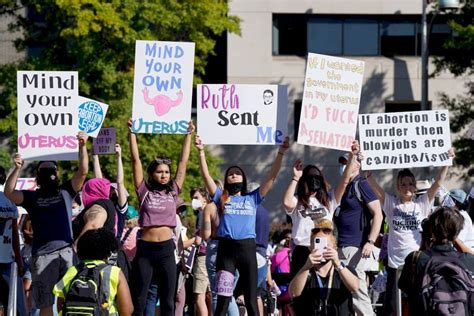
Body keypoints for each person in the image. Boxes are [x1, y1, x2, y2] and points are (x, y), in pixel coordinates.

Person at [195, 135, 289, 316]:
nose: (234, 174)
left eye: (237, 172)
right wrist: (200, 152)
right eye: (230, 173)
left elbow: (271, 177)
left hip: (247, 251)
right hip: (226, 252)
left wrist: (281, 153)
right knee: (222, 301)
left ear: (243, 179)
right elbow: (206, 176)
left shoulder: (252, 198)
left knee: (251, 300)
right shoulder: (222, 197)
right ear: (226, 179)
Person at [4, 132, 89, 316]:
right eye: (45, 170)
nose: (49, 173)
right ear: (38, 175)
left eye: (52, 169)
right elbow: (9, 193)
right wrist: (17, 168)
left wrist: (82, 146)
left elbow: (83, 172)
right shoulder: (32, 197)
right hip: (42, 256)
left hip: (66, 252)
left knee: (72, 299)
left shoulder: (66, 190)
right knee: (46, 304)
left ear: (57, 174)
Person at [365, 148, 454, 316]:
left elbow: (437, 183)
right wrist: (367, 171)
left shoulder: (422, 204)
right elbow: (375, 186)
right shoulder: (391, 203)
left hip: (416, 263)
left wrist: (446, 163)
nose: (407, 187)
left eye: (410, 184)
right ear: (397, 187)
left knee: (417, 304)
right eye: (403, 184)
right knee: (392, 306)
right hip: (394, 263)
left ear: (415, 187)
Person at [128, 119, 194, 316]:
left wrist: (188, 135)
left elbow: (183, 163)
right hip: (145, 251)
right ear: (152, 173)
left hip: (167, 250)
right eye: (159, 172)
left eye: (167, 172)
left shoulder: (173, 191)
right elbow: (135, 160)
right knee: (139, 299)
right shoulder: (143, 191)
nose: (164, 175)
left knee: (168, 300)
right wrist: (132, 133)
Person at [333, 142, 383, 316]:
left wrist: (370, 241)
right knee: (346, 299)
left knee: (359, 295)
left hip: (354, 248)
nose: (344, 166)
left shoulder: (361, 183)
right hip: (342, 248)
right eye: (342, 163)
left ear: (358, 164)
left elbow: (378, 213)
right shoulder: (344, 188)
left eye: (347, 162)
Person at [398, 206, 474, 315]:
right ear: (457, 232)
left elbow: (404, 286)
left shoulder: (416, 258)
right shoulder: (468, 260)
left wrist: (424, 243)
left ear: (431, 229)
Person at [282, 157, 345, 278]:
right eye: (310, 177)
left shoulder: (329, 200)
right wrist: (295, 178)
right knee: (299, 289)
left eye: (317, 177)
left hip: (323, 249)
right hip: (302, 249)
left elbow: (344, 182)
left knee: (321, 286)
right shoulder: (298, 200)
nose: (314, 180)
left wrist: (352, 158)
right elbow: (286, 202)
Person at [53, 228, 133, 316]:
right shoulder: (114, 272)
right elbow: (127, 310)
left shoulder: (72, 270)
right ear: (108, 251)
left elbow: (60, 303)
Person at [289, 219, 359, 315]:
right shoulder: (305, 272)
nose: (323, 249)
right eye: (318, 245)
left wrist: (338, 264)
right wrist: (306, 267)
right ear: (310, 248)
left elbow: (355, 287)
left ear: (335, 247)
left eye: (327, 245)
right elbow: (293, 293)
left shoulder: (344, 271)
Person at [200, 180, 240, 316]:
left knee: (217, 293)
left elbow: (205, 235)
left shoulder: (210, 208)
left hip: (216, 248)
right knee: (229, 293)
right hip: (235, 248)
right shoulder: (235, 204)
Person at [92, 144, 129, 238]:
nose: (111, 191)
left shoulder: (120, 209)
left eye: (114, 189)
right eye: (110, 189)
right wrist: (95, 156)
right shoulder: (105, 203)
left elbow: (120, 182)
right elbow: (98, 181)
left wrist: (119, 157)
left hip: (114, 247)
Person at [0, 184, 26, 315]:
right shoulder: (10, 202)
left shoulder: (10, 201)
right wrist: (19, 258)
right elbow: (15, 234)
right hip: (7, 260)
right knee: (14, 304)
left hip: (7, 262)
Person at [190, 187, 211, 316]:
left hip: (203, 256)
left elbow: (198, 240)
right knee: (211, 295)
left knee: (200, 296)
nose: (193, 201)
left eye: (196, 198)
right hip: (213, 255)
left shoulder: (202, 214)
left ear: (204, 198)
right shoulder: (213, 211)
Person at [444, 188, 474, 253]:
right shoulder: (455, 214)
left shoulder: (463, 217)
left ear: (454, 202)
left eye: (448, 198)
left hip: (466, 255)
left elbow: (458, 243)